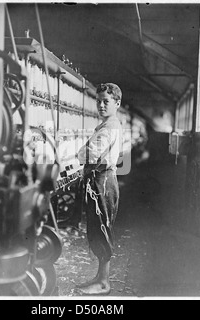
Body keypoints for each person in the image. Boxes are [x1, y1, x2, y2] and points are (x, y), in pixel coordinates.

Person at [76, 83, 123, 295]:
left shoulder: (109, 127)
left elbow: (89, 154)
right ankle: (99, 278)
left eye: (106, 101)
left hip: (103, 181)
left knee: (101, 229)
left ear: (117, 103)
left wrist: (79, 152)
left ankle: (104, 282)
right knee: (98, 227)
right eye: (99, 101)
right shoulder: (107, 125)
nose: (101, 105)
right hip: (102, 180)